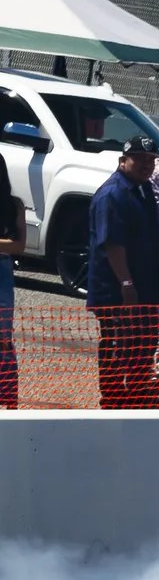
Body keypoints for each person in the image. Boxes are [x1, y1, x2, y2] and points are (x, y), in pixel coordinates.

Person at [87, 135, 159, 410]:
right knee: (117, 347)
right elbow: (112, 244)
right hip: (117, 291)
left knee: (142, 346)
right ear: (123, 161)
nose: (147, 165)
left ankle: (136, 399)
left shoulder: (143, 190)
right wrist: (127, 283)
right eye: (140, 159)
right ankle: (112, 401)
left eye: (151, 160)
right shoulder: (113, 194)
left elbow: (154, 232)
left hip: (145, 288)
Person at [0, 155, 21, 407]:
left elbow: (18, 245)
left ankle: (8, 399)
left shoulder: (13, 205)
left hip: (2, 271)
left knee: (3, 338)